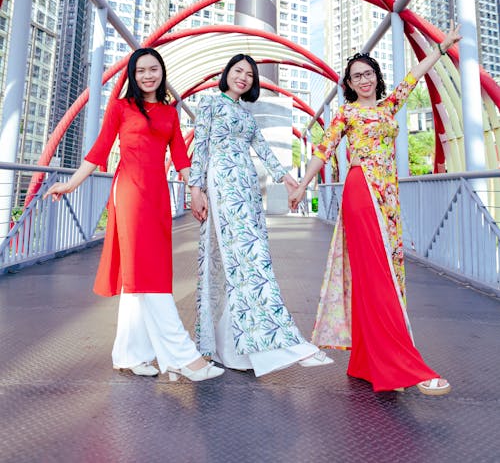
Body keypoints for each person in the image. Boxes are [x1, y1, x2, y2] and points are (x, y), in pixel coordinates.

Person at [289, 24, 461, 396]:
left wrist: (441, 48)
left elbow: (415, 76)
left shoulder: (390, 106)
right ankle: (404, 365)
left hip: (389, 197)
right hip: (361, 189)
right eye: (356, 76)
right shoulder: (345, 114)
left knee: (382, 273)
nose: (363, 80)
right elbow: (322, 150)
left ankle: (369, 361)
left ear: (376, 78)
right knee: (378, 273)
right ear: (349, 84)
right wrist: (303, 184)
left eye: (368, 74)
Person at [45, 48, 224, 383]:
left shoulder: (170, 113)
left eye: (153, 69)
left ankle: (129, 355)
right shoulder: (121, 107)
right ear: (132, 75)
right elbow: (99, 149)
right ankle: (182, 358)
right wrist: (70, 184)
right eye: (140, 70)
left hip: (156, 195)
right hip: (128, 192)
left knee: (140, 275)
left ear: (162, 71)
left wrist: (196, 190)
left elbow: (182, 158)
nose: (147, 76)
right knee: (149, 273)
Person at [189, 53, 334, 376]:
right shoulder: (210, 104)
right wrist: (195, 188)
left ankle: (235, 349)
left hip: (247, 188)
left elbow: (264, 150)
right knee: (247, 257)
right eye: (238, 71)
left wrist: (287, 177)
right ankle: (285, 342)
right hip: (223, 182)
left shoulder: (245, 113)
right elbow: (199, 147)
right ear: (226, 73)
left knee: (245, 260)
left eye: (250, 75)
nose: (243, 77)